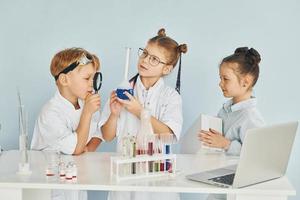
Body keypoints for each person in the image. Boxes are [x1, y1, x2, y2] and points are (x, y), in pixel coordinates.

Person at [100, 28, 187, 200]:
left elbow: (169, 135)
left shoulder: (171, 97)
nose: (145, 60)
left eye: (154, 59)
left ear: (167, 69)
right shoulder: (123, 91)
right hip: (125, 177)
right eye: (145, 53)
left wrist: (139, 111)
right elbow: (107, 135)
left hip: (157, 179)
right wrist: (114, 114)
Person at [31, 47, 102, 200]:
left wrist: (88, 148)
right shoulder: (50, 113)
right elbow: (76, 149)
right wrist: (87, 113)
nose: (92, 84)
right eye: (86, 78)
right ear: (64, 80)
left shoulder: (84, 104)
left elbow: (98, 132)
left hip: (75, 179)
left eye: (93, 79)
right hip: (52, 184)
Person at [199, 47, 265, 200]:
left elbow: (257, 155)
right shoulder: (226, 110)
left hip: (239, 186)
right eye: (220, 78)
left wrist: (226, 144)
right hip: (221, 176)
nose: (220, 83)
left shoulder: (250, 117)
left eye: (225, 79)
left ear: (245, 82)